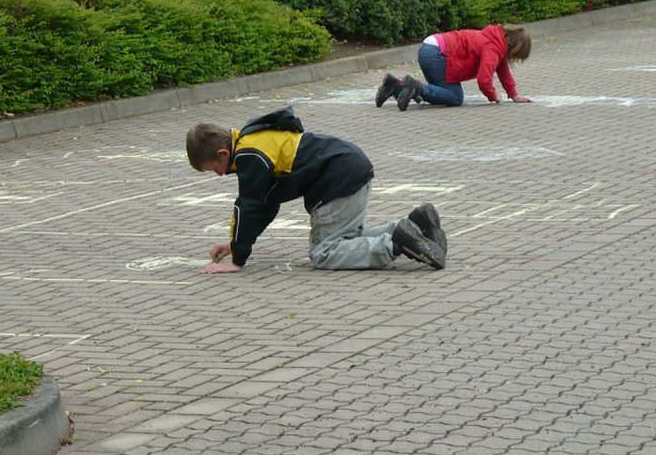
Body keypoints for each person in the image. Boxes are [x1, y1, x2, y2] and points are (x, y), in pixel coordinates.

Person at [185, 106, 447, 274]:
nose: (219, 174)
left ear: (222, 153)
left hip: (339, 179)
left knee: (325, 253)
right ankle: (415, 224)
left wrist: (238, 260)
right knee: (347, 240)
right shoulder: (251, 140)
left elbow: (248, 205)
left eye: (213, 168)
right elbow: (266, 205)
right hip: (350, 168)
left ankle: (397, 243)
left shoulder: (250, 156)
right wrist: (235, 244)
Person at [376, 24, 533, 111]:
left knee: (439, 95)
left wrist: (513, 94)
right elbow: (483, 80)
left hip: (428, 48)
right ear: (514, 49)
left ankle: (395, 85)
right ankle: (415, 87)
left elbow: (502, 70)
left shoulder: (494, 40)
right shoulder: (492, 48)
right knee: (454, 97)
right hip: (437, 54)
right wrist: (494, 96)